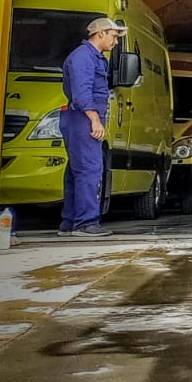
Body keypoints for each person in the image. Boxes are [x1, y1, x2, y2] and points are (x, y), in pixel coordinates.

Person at [59, 16, 125, 237]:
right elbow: (81, 93)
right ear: (101, 34)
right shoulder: (83, 58)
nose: (115, 42)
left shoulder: (94, 58)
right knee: (90, 170)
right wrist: (94, 120)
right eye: (114, 36)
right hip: (82, 118)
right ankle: (85, 224)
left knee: (76, 171)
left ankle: (69, 223)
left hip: (80, 118)